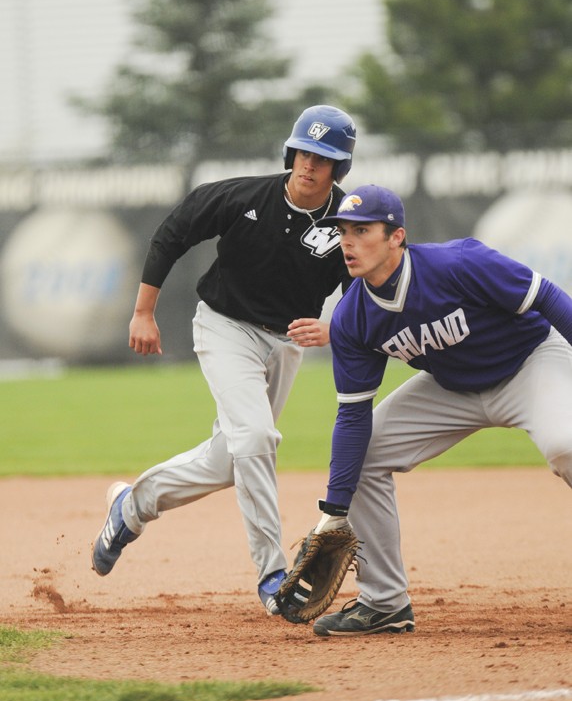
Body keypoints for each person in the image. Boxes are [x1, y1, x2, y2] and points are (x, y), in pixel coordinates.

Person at [91, 105, 357, 615]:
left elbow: (360, 292)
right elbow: (173, 232)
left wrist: (335, 327)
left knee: (229, 460)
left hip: (288, 342)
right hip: (224, 327)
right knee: (255, 439)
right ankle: (273, 576)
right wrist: (143, 312)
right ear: (290, 152)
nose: (309, 164)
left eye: (322, 157)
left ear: (338, 167)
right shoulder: (244, 195)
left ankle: (133, 506)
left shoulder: (346, 220)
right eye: (303, 151)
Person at [300, 183, 572, 637]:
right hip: (452, 387)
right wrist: (335, 510)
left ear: (396, 237)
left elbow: (547, 297)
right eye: (342, 231)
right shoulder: (352, 317)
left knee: (566, 445)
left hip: (530, 361)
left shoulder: (459, 263)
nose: (348, 241)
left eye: (361, 229)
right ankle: (384, 603)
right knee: (366, 455)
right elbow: (353, 416)